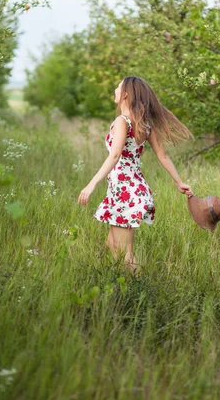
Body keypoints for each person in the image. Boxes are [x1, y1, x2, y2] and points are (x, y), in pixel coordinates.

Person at [77, 76, 195, 272]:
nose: (115, 89)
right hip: (131, 190)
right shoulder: (143, 124)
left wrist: (91, 185)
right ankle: (117, 287)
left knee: (125, 253)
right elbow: (163, 156)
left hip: (126, 192)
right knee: (112, 246)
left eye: (118, 86)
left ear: (125, 94)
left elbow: (115, 155)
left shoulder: (123, 121)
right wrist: (179, 181)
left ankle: (141, 291)